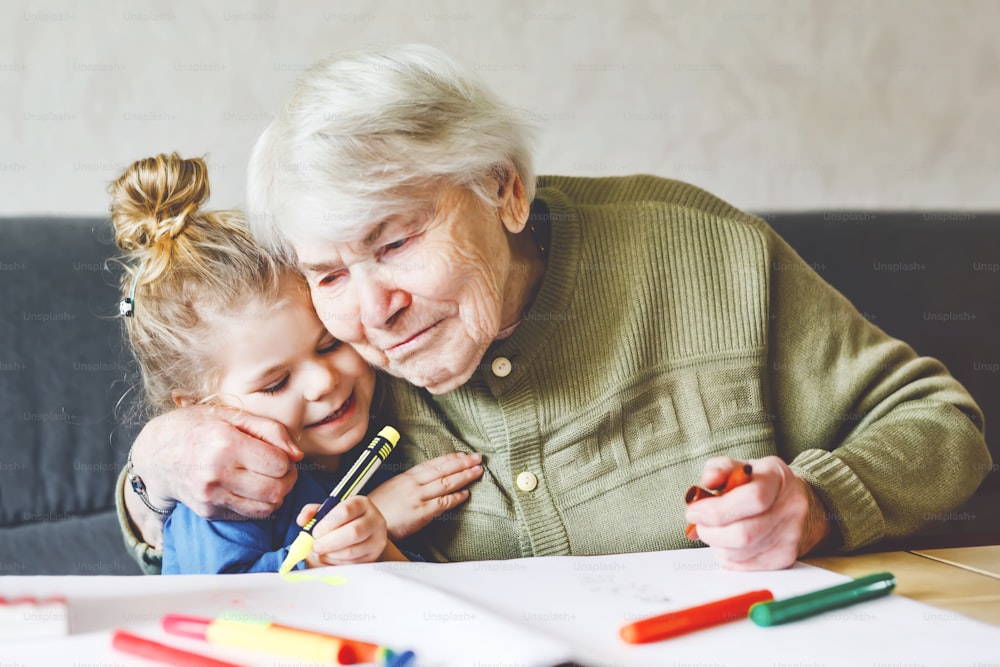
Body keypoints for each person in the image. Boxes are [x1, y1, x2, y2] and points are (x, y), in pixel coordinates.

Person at [117, 45, 992, 573]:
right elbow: (214, 544)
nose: (374, 313)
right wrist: (155, 468)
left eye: (393, 244)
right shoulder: (332, 365)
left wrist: (821, 501)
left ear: (503, 187)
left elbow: (942, 422)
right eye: (330, 272)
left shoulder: (696, 250)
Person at [110, 153, 483, 573]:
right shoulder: (224, 499)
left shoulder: (374, 442)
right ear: (200, 414)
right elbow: (223, 606)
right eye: (276, 383)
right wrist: (329, 553)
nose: (323, 381)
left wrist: (379, 539)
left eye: (328, 345)